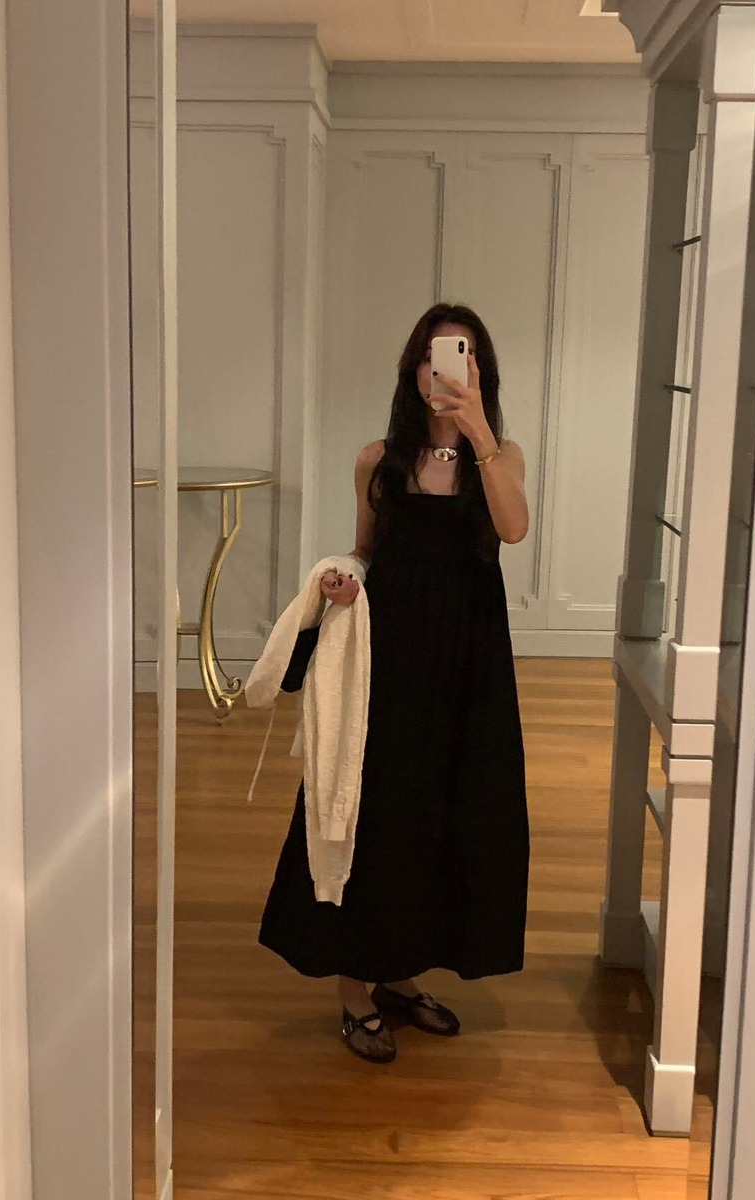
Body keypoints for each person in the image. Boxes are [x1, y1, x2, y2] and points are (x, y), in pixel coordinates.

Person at [258, 303, 531, 1063]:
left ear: (481, 373)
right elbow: (366, 551)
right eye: (433, 358)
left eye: (462, 357)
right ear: (413, 371)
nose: (445, 371)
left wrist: (477, 433)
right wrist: (343, 580)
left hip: (470, 663)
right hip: (392, 659)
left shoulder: (500, 456)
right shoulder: (377, 460)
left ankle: (400, 972)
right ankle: (355, 988)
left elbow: (513, 529)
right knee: (379, 810)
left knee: (451, 810)